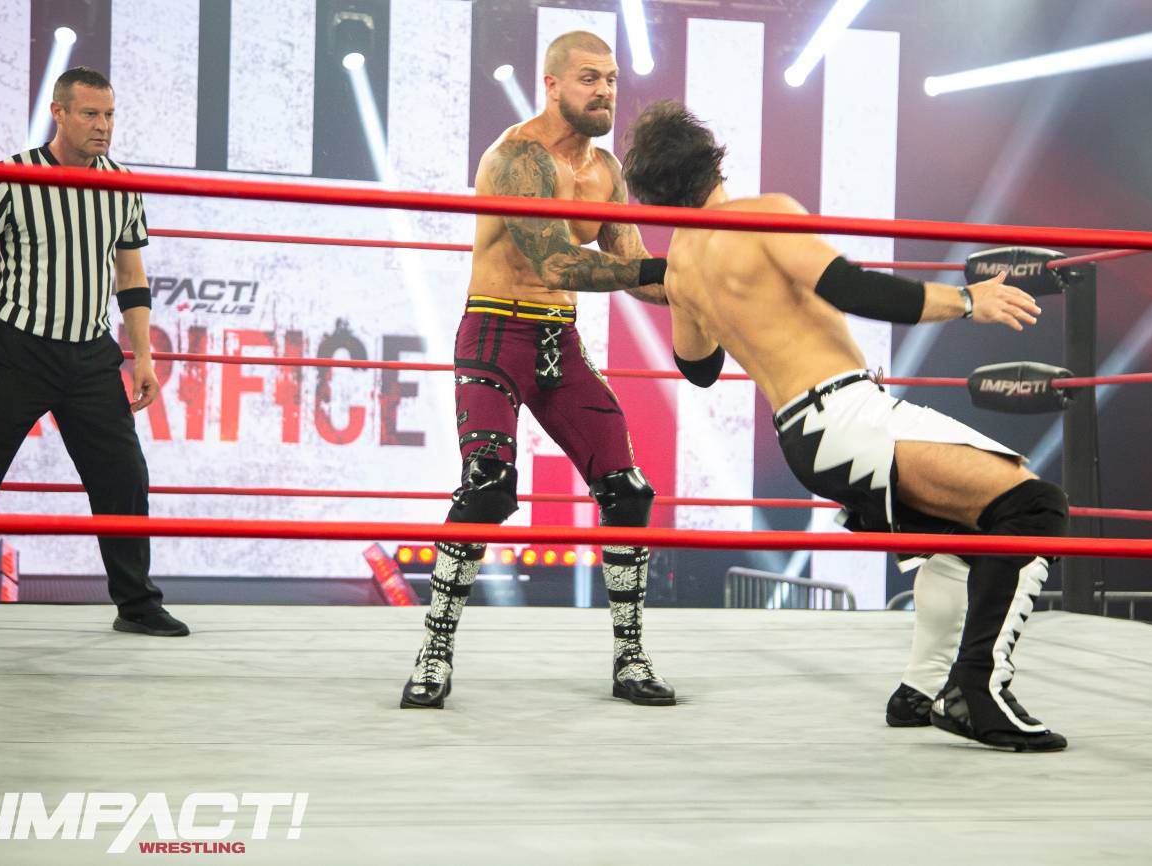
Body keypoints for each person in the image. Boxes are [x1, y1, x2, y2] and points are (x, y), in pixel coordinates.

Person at [622, 100, 1068, 751]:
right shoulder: (762, 216)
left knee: (963, 534)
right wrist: (969, 300)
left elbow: (698, 368)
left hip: (806, 434)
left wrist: (706, 302)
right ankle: (979, 690)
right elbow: (854, 289)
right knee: (1033, 506)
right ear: (714, 160)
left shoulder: (683, 269)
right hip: (844, 415)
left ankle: (919, 690)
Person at [401, 33, 671, 709]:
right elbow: (555, 261)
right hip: (495, 332)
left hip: (560, 339)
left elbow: (635, 270)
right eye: (589, 78)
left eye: (611, 79)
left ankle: (630, 657)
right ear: (551, 85)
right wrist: (663, 269)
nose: (604, 91)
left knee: (628, 490)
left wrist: (711, 287)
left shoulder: (606, 170)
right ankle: (433, 651)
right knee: (487, 487)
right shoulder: (516, 157)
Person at [0, 67, 187, 637]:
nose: (102, 126)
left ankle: (136, 604)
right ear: (59, 112)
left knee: (124, 477)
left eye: (109, 115)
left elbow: (130, 273)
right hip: (18, 350)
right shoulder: (10, 177)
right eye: (90, 113)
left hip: (92, 356)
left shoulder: (122, 182)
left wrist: (143, 356)